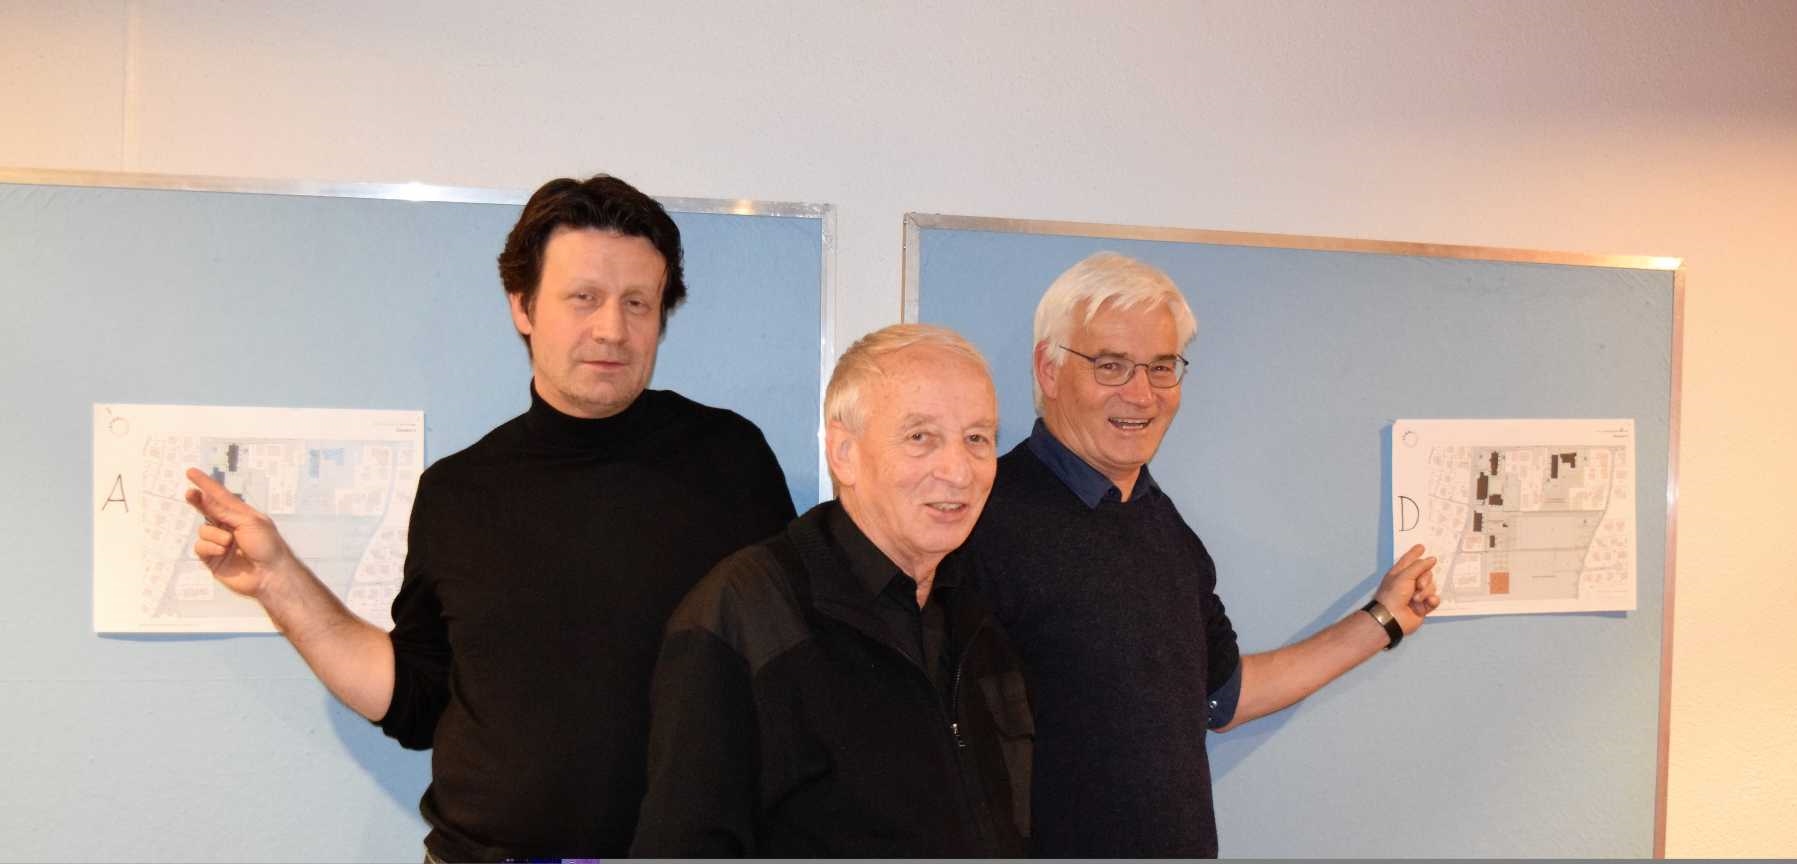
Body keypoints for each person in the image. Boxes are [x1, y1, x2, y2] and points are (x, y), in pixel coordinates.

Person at [182, 175, 796, 861]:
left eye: (637, 303)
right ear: (522, 306)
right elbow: (417, 702)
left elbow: (797, 677)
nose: (612, 329)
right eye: (583, 298)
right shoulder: (457, 493)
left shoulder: (730, 461)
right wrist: (279, 581)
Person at [960, 251, 1441, 857]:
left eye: (1161, 367)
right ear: (1048, 371)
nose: (1142, 394)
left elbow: (1221, 695)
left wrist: (1383, 619)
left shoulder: (1162, 526)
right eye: (1111, 366)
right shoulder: (979, 525)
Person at [630, 324, 1031, 857]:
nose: (958, 471)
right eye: (920, 437)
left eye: (977, 438)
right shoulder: (744, 612)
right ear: (843, 452)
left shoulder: (976, 613)